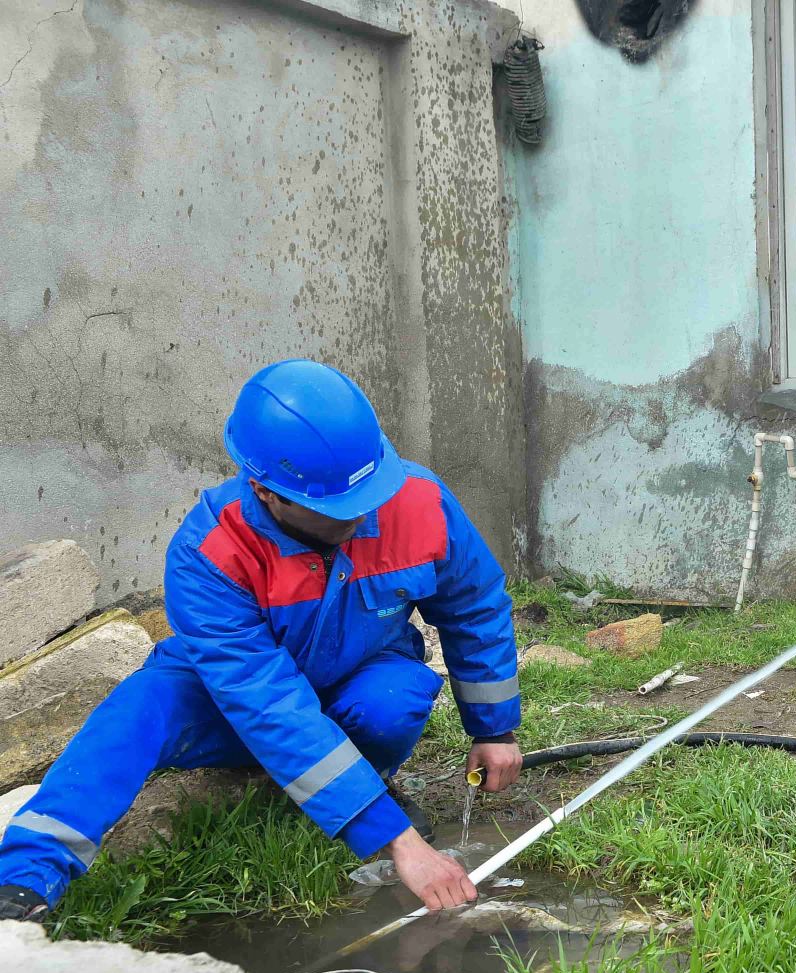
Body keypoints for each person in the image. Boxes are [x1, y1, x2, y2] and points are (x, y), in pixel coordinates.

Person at [0, 359, 523, 921]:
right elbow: (266, 702)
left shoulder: (419, 503)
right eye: (334, 510)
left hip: (358, 674)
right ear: (264, 490)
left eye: (367, 495)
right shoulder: (209, 553)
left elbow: (474, 606)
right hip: (231, 700)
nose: (362, 517)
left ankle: (354, 790)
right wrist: (400, 843)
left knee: (394, 699)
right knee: (137, 710)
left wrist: (495, 730)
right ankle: (25, 883)